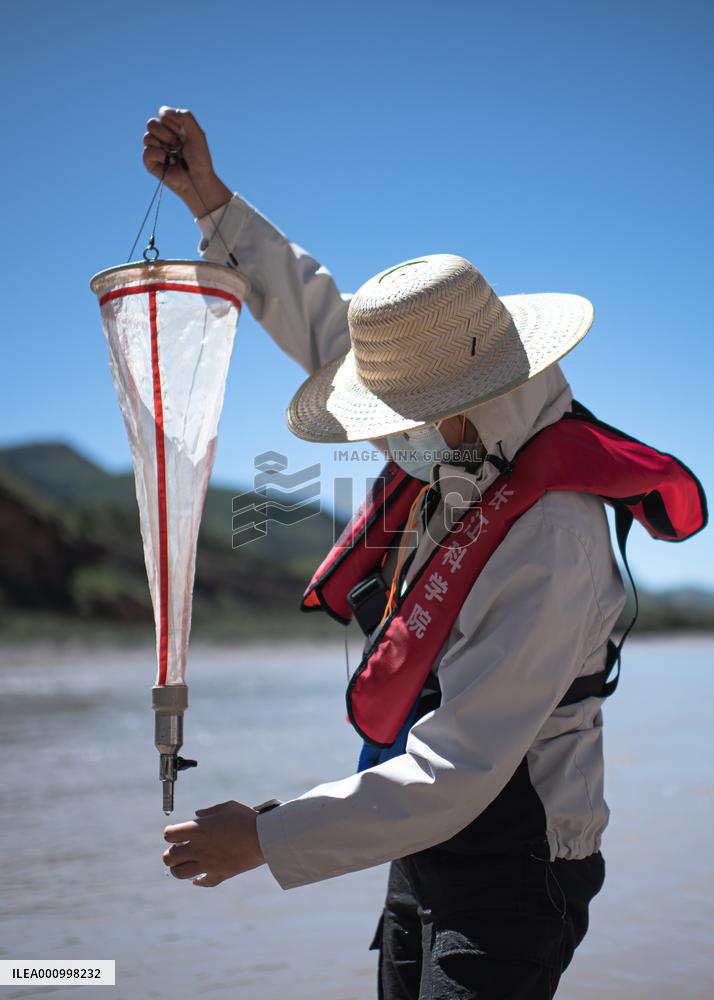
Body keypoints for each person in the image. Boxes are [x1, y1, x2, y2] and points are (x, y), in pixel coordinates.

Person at [144, 107, 704, 999]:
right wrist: (211, 202)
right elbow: (328, 324)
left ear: (460, 403)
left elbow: (459, 769)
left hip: (516, 865)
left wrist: (264, 836)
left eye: (391, 419)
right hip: (423, 839)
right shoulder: (463, 439)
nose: (381, 437)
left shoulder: (550, 535)